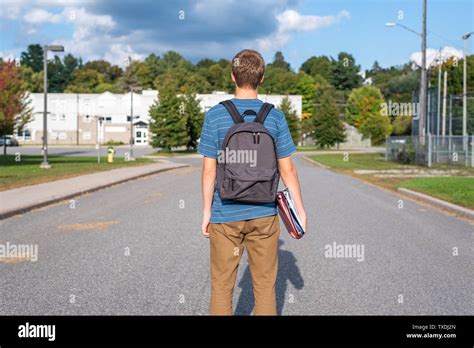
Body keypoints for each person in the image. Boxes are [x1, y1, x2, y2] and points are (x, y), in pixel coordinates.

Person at [198, 49, 306, 315]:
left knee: (222, 286)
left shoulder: (215, 116)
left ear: (233, 77)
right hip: (265, 214)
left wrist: (206, 211)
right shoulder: (276, 117)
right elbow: (288, 170)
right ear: (262, 78)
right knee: (265, 287)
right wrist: (299, 211)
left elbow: (208, 171)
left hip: (225, 214)